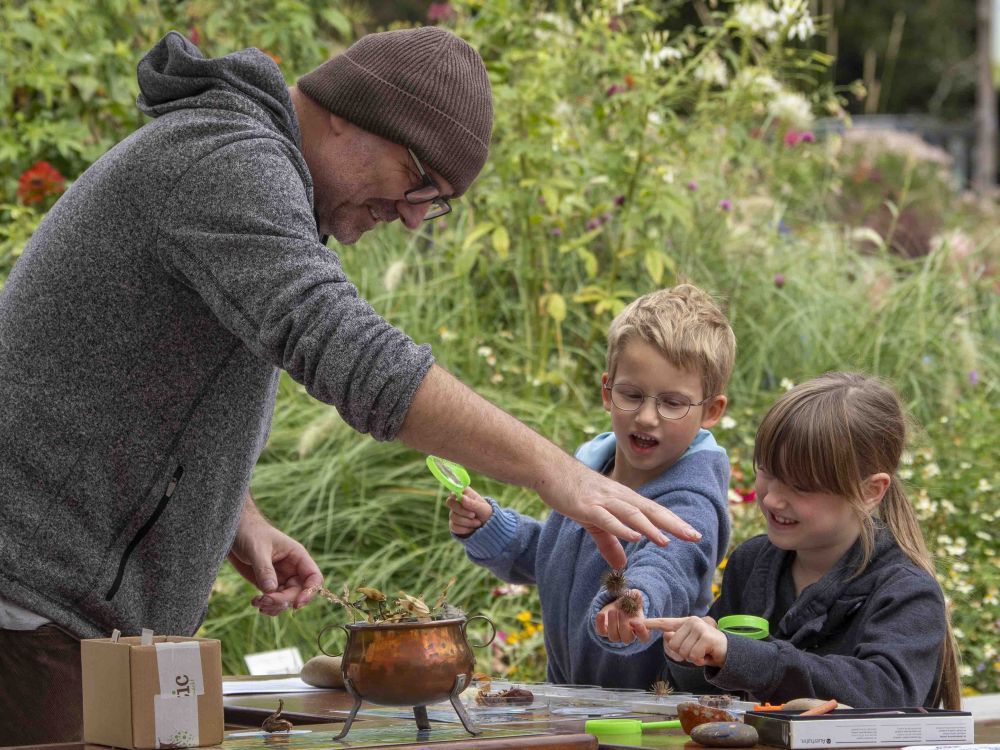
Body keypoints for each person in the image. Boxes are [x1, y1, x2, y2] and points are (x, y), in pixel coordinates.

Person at [0, 28, 702, 744]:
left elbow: (144, 384)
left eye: (438, 200)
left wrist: (237, 515)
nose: (412, 212)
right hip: (35, 606)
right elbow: (354, 354)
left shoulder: (248, 169)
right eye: (418, 176)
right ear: (345, 111)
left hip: (73, 613)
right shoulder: (228, 161)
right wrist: (558, 474)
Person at [449, 284, 735, 688]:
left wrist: (634, 601)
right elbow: (559, 560)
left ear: (711, 411)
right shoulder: (590, 472)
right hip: (572, 702)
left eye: (673, 403)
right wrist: (492, 528)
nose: (647, 417)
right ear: (607, 391)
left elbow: (669, 568)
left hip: (645, 717)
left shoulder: (691, 502)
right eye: (631, 395)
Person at [632, 372, 961, 708]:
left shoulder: (905, 592)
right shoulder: (751, 564)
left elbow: (887, 693)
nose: (773, 499)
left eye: (801, 486)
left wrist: (746, 656)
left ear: (869, 491)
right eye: (768, 472)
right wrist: (693, 658)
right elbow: (713, 699)